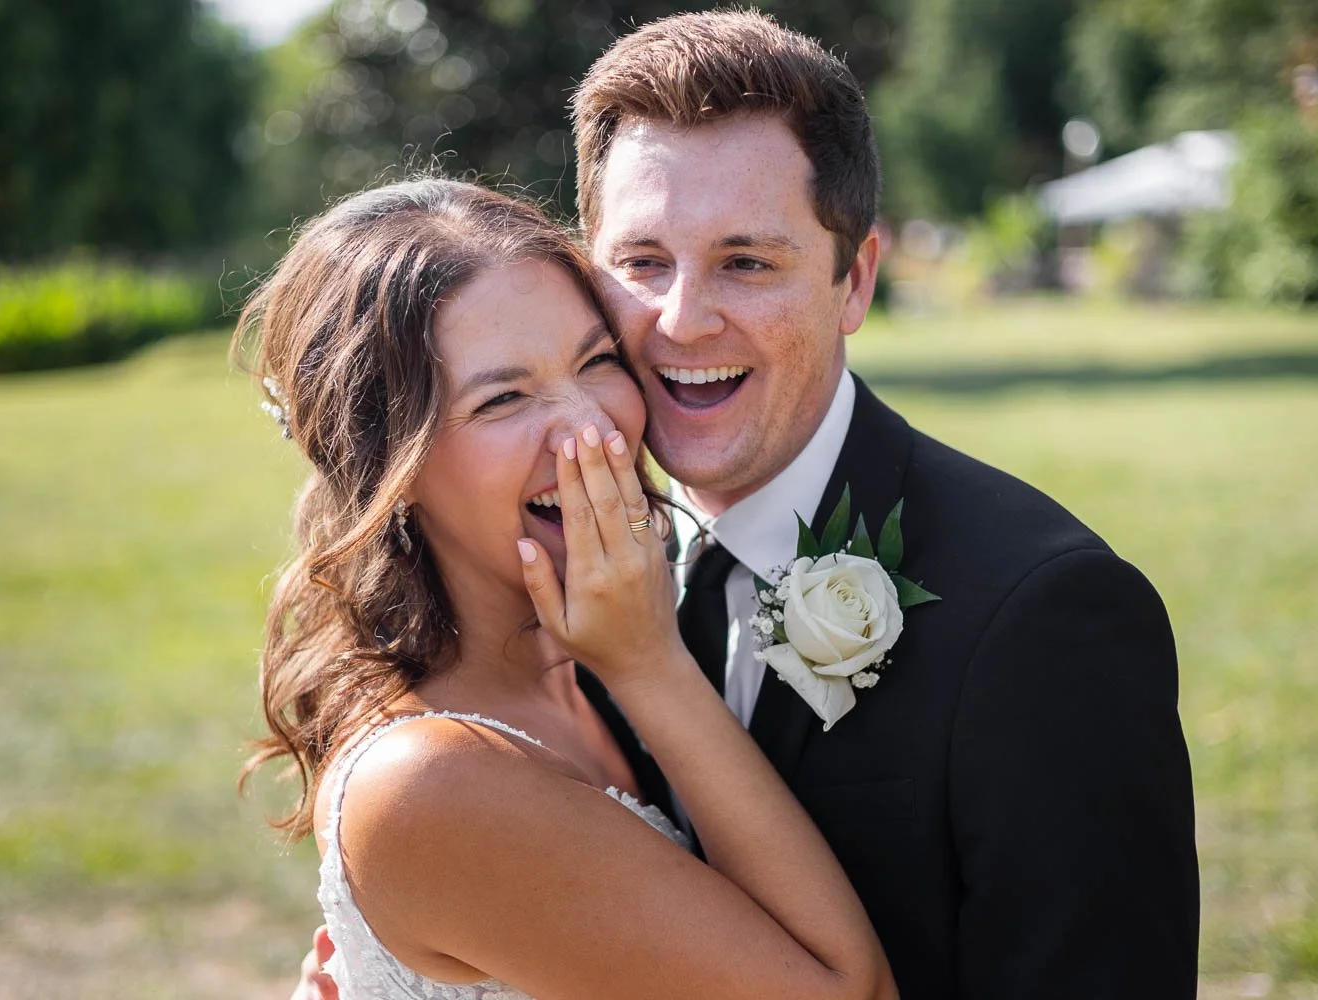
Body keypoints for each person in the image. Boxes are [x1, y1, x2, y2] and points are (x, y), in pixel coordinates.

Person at [296, 9, 1200, 998]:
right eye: (642, 264)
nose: (684, 320)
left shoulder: (1043, 615)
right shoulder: (565, 589)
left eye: (747, 261)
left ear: (853, 280)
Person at [240, 177, 898, 1000]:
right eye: (503, 397)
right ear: (385, 465)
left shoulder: (582, 660)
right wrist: (651, 667)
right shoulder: (439, 783)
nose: (591, 429)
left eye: (596, 361)